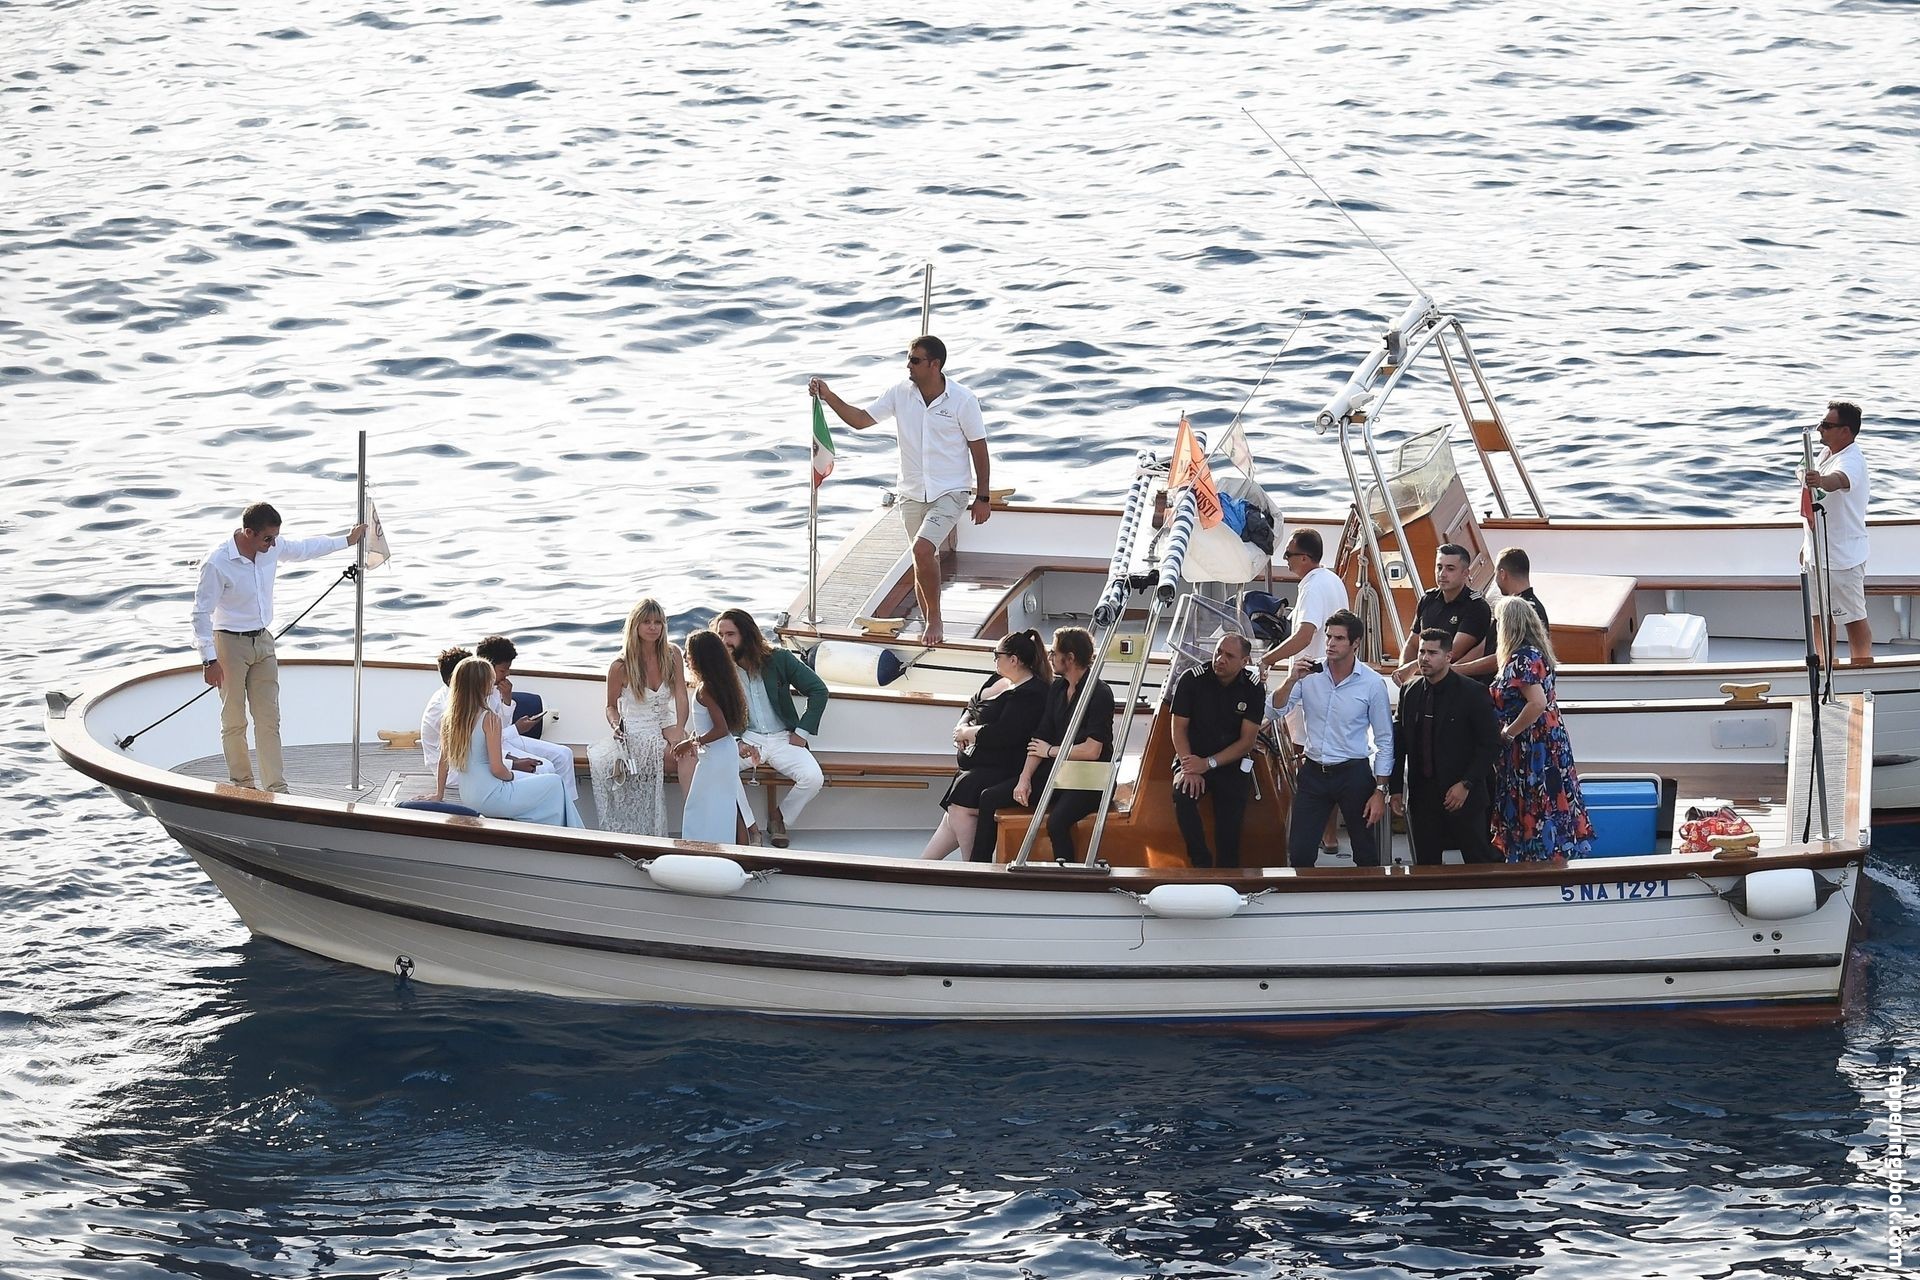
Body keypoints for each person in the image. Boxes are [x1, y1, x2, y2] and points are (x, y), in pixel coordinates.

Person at [808, 335, 991, 645]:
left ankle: (934, 620)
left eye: (915, 360)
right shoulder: (899, 393)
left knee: (922, 550)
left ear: (934, 365)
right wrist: (828, 396)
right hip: (910, 493)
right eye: (908, 359)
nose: (908, 365)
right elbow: (861, 420)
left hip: (951, 491)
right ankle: (928, 622)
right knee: (922, 559)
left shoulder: (963, 400)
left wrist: (983, 497)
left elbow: (979, 448)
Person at [190, 501, 365, 792]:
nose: (273, 545)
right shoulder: (217, 562)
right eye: (267, 539)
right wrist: (209, 660)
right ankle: (243, 785)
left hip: (263, 640)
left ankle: (276, 788)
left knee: (269, 719)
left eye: (275, 538)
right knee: (234, 720)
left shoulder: (271, 548)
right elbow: (200, 613)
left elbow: (305, 548)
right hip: (229, 643)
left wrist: (347, 540)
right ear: (248, 532)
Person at [973, 626, 1117, 862]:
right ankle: (978, 870)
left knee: (1057, 822)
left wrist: (1051, 751)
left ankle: (1066, 876)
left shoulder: (1099, 693)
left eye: (1054, 653)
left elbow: (1092, 750)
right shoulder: (1058, 688)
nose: (1049, 657)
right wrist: (1025, 778)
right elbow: (1040, 737)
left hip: (1090, 779)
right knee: (989, 797)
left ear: (1069, 658)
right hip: (1059, 773)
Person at [1273, 610, 1395, 868]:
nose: (1330, 643)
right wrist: (1291, 679)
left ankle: (1369, 894)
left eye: (1339, 638)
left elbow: (1385, 740)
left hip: (1354, 774)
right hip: (1314, 772)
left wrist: (1380, 790)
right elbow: (1274, 710)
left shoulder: (1372, 684)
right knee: (1300, 853)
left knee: (1366, 854)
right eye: (1329, 637)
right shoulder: (1308, 675)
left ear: (1355, 643)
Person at [922, 629, 1049, 861]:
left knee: (960, 807)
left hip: (1004, 768)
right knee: (954, 813)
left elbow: (1006, 733)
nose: (994, 660)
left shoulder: (1032, 694)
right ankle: (923, 867)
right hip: (978, 766)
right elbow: (973, 704)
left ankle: (973, 869)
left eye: (996, 655)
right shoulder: (998, 680)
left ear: (1014, 659)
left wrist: (969, 733)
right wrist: (961, 726)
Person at [1489, 595, 1594, 863]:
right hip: (1548, 740)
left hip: (1532, 746)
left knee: (1537, 801)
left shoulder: (1520, 659)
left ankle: (1538, 861)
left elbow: (1537, 702)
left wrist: (1508, 733)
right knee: (1549, 799)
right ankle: (1548, 858)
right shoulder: (1537, 654)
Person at [713, 608, 829, 848]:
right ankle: (750, 828)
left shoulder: (779, 658)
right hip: (748, 738)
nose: (724, 641)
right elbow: (717, 711)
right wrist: (737, 741)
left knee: (813, 778)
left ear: (747, 634)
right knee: (720, 769)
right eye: (720, 635)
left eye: (730, 634)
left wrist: (802, 732)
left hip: (783, 737)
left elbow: (819, 690)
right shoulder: (721, 669)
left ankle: (779, 818)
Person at [1389, 629, 1501, 865]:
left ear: (1448, 657)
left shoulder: (1472, 693)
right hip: (1423, 796)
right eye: (1421, 652)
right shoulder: (1410, 692)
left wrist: (1466, 784)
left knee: (1478, 862)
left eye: (1432, 653)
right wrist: (1396, 788)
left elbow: (1490, 744)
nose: (1424, 658)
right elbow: (1399, 743)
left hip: (1464, 795)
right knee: (1427, 865)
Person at [434, 656, 582, 827]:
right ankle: (577, 834)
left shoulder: (450, 719)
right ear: (483, 684)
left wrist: (438, 795)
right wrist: (512, 777)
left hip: (469, 796)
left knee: (548, 790)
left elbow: (443, 762)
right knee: (555, 783)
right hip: (492, 796)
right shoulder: (490, 719)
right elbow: (497, 769)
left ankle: (558, 833)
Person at [587, 599, 691, 836]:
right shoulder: (620, 665)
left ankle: (694, 819)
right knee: (683, 758)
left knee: (689, 752)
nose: (653, 627)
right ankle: (692, 822)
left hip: (666, 721)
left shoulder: (672, 653)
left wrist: (680, 728)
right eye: (647, 622)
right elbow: (611, 706)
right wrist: (616, 725)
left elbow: (681, 695)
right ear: (635, 625)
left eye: (658, 622)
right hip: (637, 729)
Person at [1169, 634, 1265, 869]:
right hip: (1192, 756)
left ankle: (1227, 872)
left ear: (1244, 661)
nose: (1220, 659)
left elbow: (1247, 742)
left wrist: (1209, 763)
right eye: (1218, 652)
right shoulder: (1192, 679)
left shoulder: (1253, 688)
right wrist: (1190, 767)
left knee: (1229, 828)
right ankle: (1200, 862)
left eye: (1229, 656)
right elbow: (1178, 728)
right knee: (1182, 794)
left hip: (1230, 762)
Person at [1802, 399, 1873, 668]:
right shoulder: (1824, 454)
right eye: (1821, 424)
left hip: (1842, 559)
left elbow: (1840, 480)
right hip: (1817, 554)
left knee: (1853, 619)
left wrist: (1821, 481)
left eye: (1826, 425)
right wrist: (1806, 547)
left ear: (1845, 431)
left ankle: (1863, 671)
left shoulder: (1852, 459)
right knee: (1820, 616)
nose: (1820, 429)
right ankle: (1826, 667)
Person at [473, 635, 582, 809]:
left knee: (564, 754)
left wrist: (507, 699)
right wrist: (517, 729)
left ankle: (568, 808)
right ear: (487, 667)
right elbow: (486, 739)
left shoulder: (495, 690)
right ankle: (549, 812)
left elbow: (503, 726)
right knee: (544, 767)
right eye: (503, 670)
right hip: (492, 746)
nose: (507, 674)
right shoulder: (473, 696)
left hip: (504, 739)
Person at [681, 630, 759, 845]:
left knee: (699, 804)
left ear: (700, 658)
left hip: (716, 756)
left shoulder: (706, 689)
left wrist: (691, 742)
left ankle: (701, 846)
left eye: (688, 653)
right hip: (722, 752)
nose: (685, 657)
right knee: (728, 804)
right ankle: (738, 849)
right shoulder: (718, 685)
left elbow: (721, 729)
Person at [1393, 543, 1491, 685]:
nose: (1442, 574)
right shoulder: (1427, 600)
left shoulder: (1476, 606)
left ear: (1465, 573)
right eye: (1439, 567)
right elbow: (1413, 643)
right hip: (1427, 680)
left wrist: (1413, 667)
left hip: (1460, 685)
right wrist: (1403, 671)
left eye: (1450, 569)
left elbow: (1451, 652)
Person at [1257, 528, 1350, 675]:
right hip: (1333, 675)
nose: (1284, 558)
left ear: (1304, 558)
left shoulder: (1312, 588)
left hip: (1314, 679)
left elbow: (1303, 637)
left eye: (1288, 554)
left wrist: (1267, 660)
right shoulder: (1333, 580)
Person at [1454, 547, 1548, 682]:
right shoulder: (1514, 607)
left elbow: (1506, 657)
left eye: (1496, 573)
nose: (1496, 579)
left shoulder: (1521, 611)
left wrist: (1457, 670)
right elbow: (1485, 646)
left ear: (1502, 574)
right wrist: (1453, 668)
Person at [419, 646, 473, 789]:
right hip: (454, 772)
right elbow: (451, 754)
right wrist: (511, 763)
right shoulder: (447, 708)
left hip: (466, 763)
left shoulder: (455, 696)